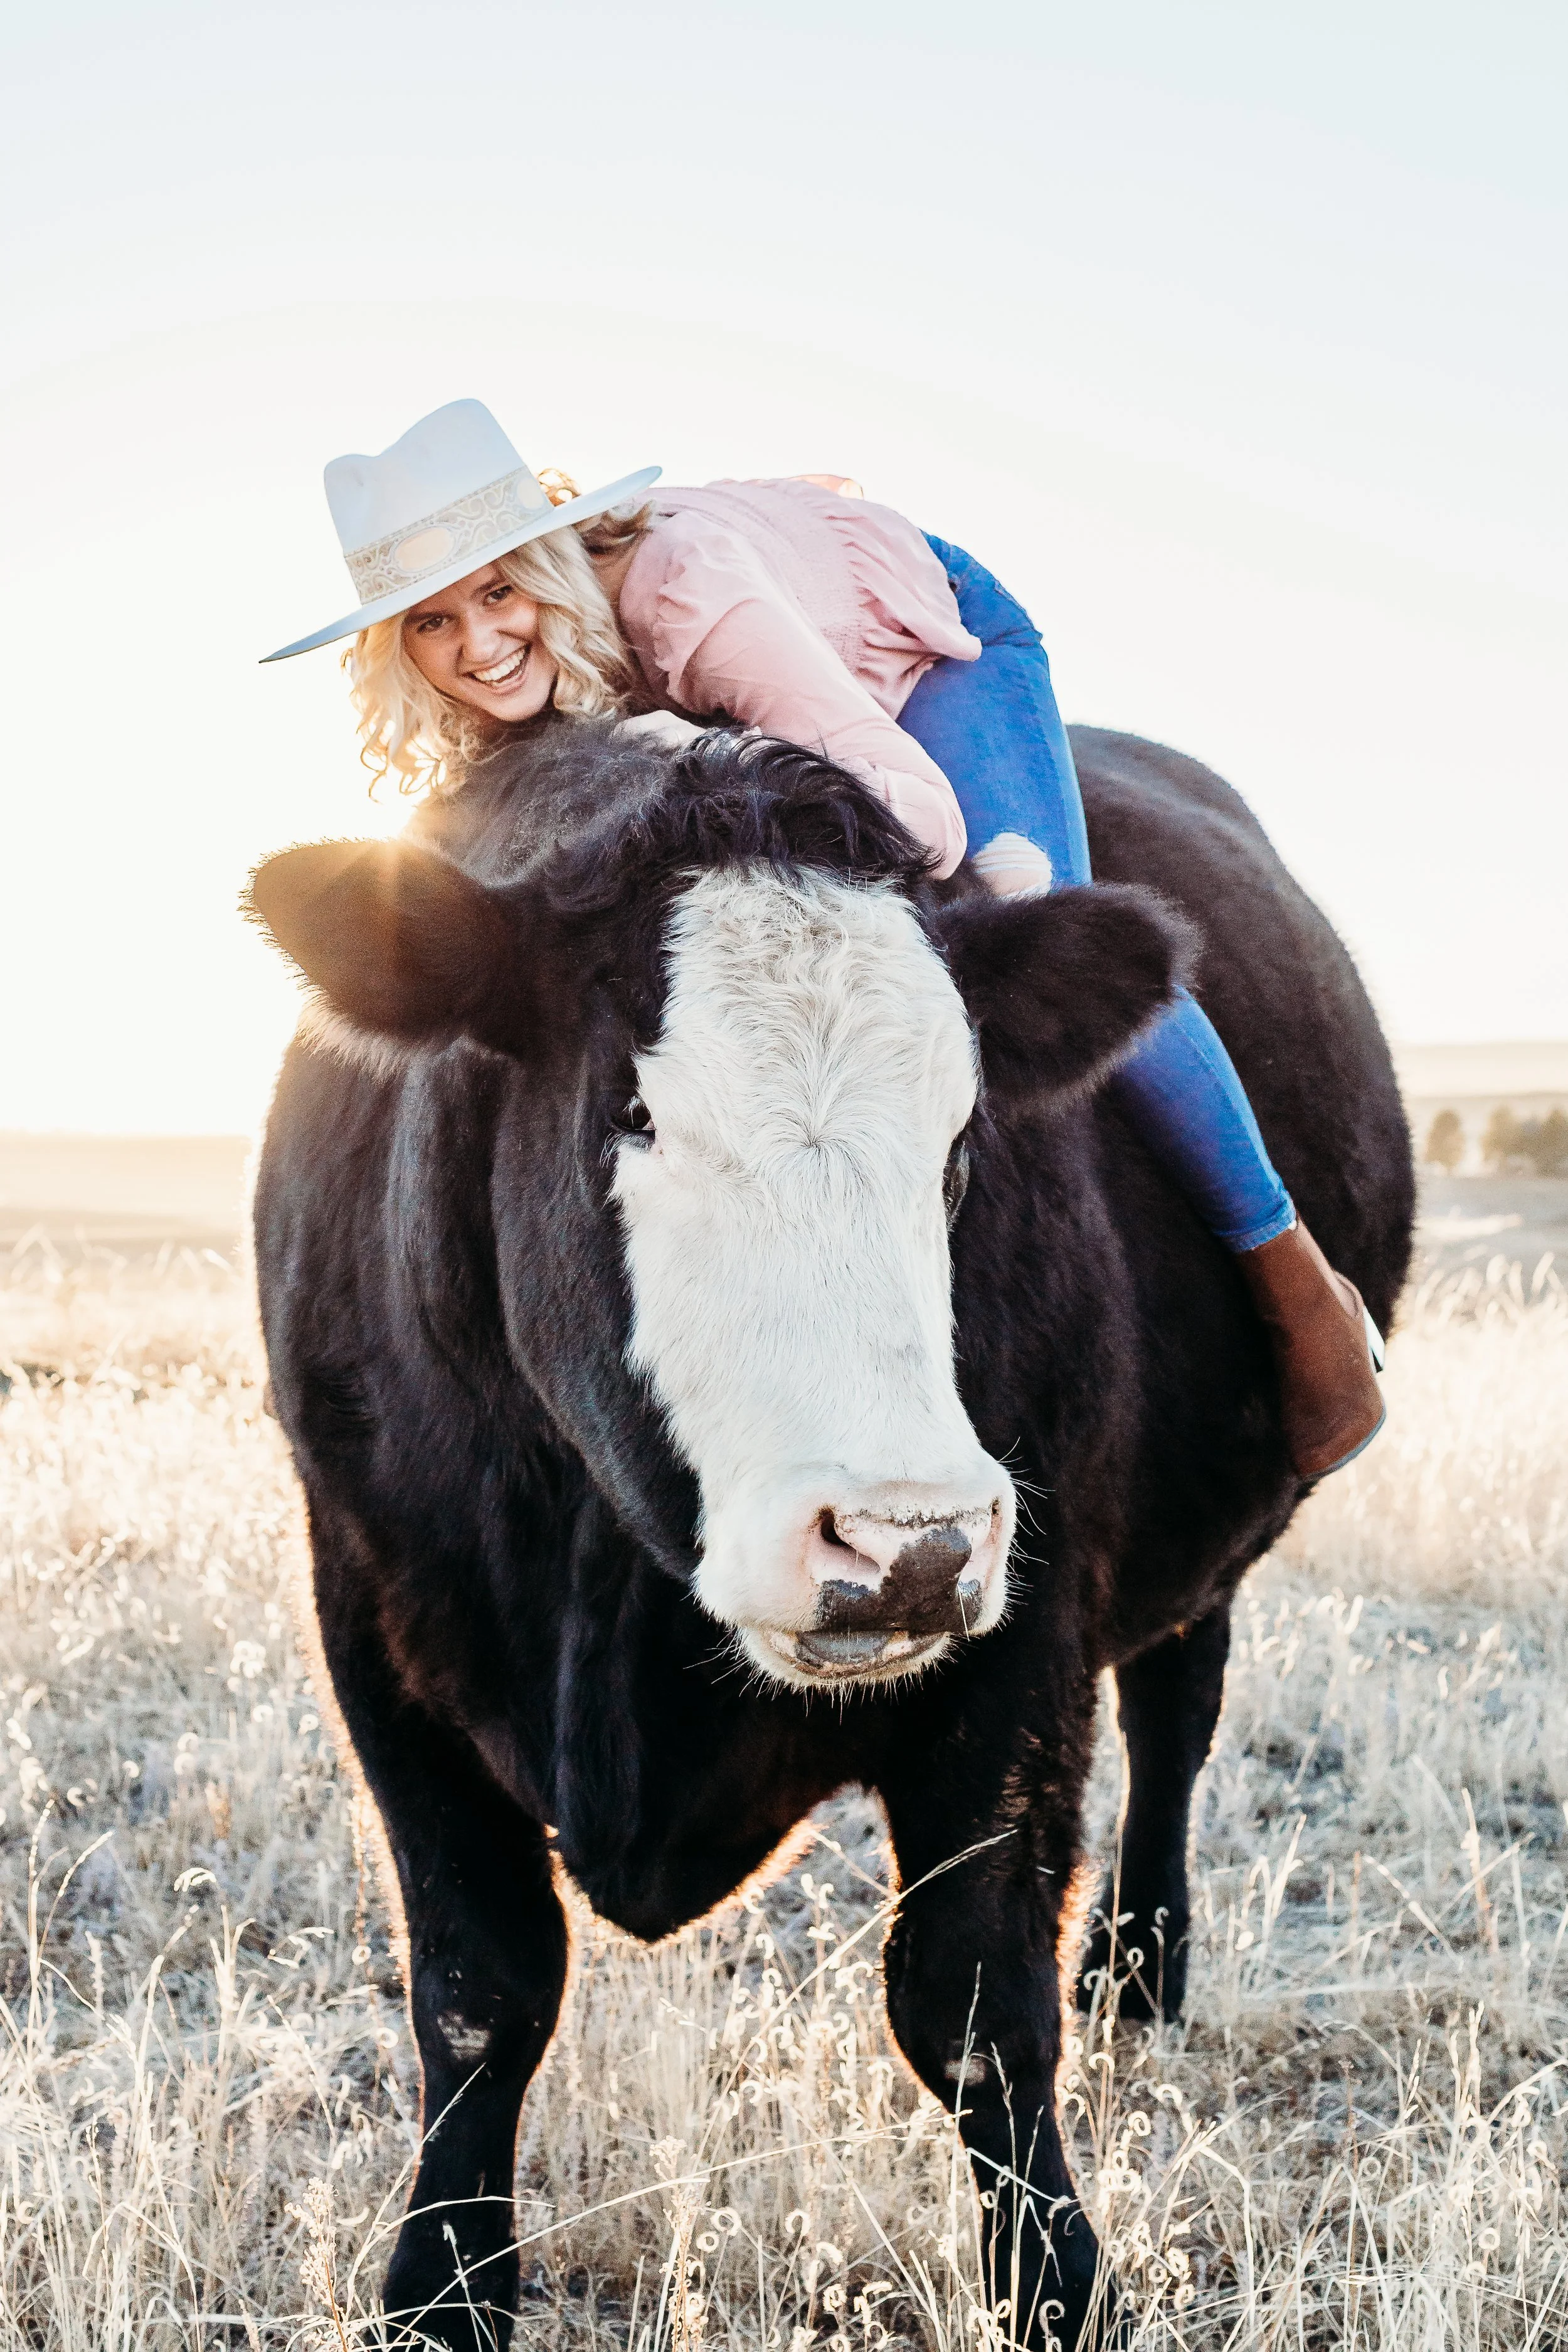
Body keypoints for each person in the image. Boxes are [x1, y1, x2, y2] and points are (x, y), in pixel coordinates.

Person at [264, 399, 1385, 1480]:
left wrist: (723, 754)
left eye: (497, 591)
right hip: (760, 641)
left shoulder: (684, 608)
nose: (479, 641)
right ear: (395, 647)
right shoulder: (529, 672)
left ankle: (1292, 1280)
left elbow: (920, 810)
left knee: (1008, 901)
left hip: (937, 643)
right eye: (432, 620)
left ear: (547, 569)